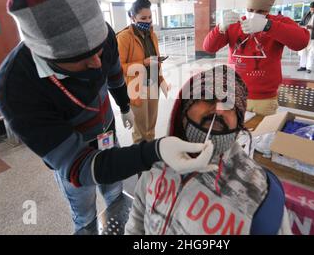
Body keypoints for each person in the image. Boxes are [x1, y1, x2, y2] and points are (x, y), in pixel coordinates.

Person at [0, 0, 215, 233]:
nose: (97, 62)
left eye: (99, 50)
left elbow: (114, 76)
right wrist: (154, 151)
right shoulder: (15, 88)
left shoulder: (105, 37)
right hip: (75, 152)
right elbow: (78, 166)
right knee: (84, 208)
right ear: (48, 57)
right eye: (83, 59)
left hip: (106, 133)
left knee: (115, 193)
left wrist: (123, 106)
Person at [125, 65, 291, 235]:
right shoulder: (157, 158)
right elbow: (137, 217)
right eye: (208, 98)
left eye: (230, 105)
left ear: (238, 125)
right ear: (184, 110)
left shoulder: (259, 193)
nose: (219, 109)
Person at [203, 0, 309, 116]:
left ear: (268, 10)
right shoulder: (235, 24)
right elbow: (209, 47)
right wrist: (220, 28)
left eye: (260, 12)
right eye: (250, 9)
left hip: (265, 98)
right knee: (236, 135)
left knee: (262, 135)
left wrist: (268, 26)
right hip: (235, 95)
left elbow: (301, 42)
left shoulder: (279, 23)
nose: (253, 15)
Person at [117, 0, 170, 144]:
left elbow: (156, 61)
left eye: (150, 17)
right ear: (133, 17)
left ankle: (150, 155)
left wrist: (161, 81)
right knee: (140, 130)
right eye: (143, 18)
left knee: (151, 127)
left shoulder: (152, 35)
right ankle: (139, 160)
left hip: (153, 85)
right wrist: (143, 63)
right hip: (137, 88)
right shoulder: (124, 37)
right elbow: (118, 67)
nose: (147, 21)